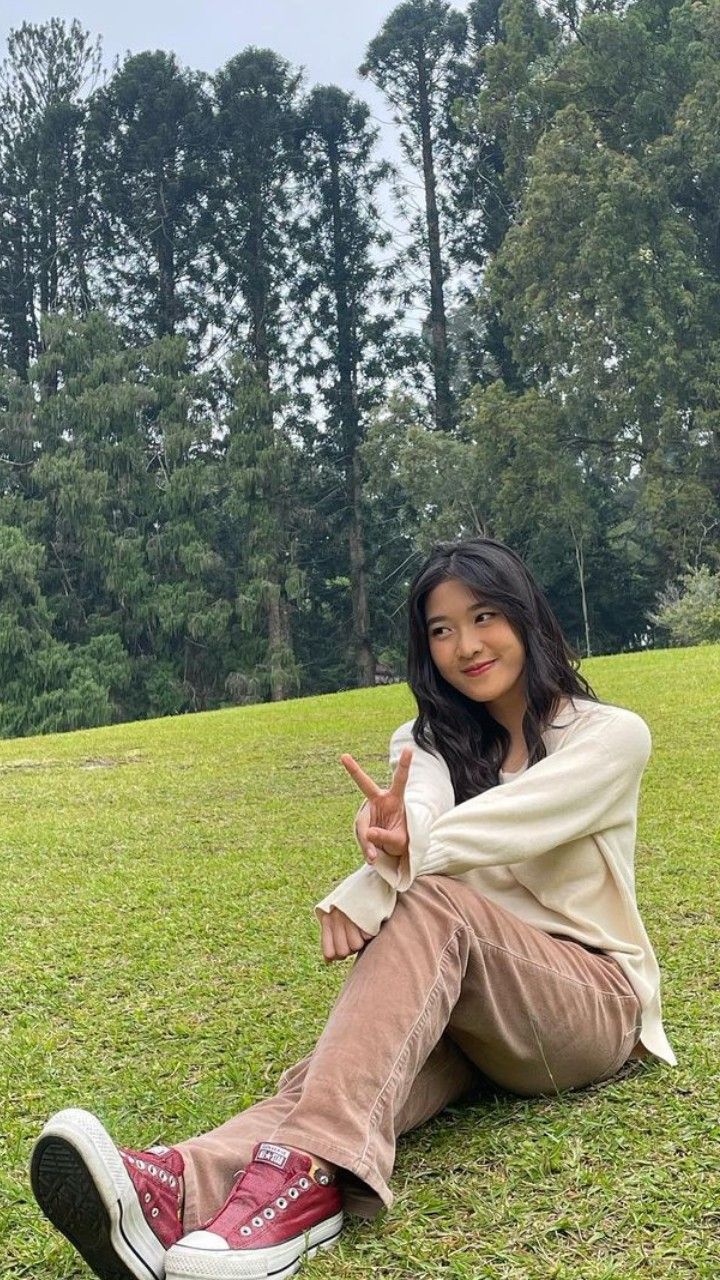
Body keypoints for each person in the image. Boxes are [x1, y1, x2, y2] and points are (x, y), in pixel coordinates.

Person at [30, 536, 676, 1280]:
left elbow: (510, 822)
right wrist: (394, 835)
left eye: (484, 617)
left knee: (430, 903)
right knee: (341, 1080)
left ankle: (301, 1188)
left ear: (526, 615)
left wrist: (390, 873)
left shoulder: (609, 736)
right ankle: (179, 1186)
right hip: (477, 1023)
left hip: (587, 1006)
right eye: (441, 630)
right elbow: (420, 812)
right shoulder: (424, 741)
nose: (466, 646)